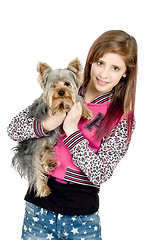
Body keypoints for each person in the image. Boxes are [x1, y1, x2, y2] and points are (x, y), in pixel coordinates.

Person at [7, 30, 138, 240]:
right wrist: (48, 123)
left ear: (125, 73)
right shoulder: (63, 88)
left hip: (82, 219)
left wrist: (71, 131)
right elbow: (13, 129)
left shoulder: (121, 118)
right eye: (100, 63)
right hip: (38, 212)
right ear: (90, 61)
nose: (104, 74)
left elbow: (101, 173)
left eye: (115, 68)